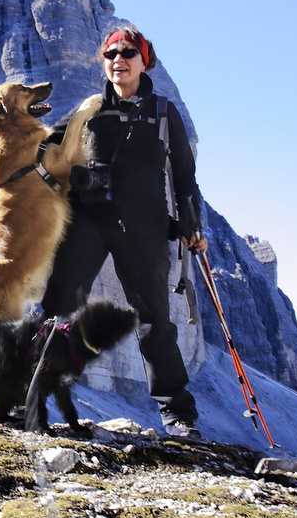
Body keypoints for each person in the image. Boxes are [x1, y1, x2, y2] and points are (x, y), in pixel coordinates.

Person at [40, 25, 207, 438]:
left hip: (146, 227)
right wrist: (66, 179)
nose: (118, 60)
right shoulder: (89, 109)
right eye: (110, 54)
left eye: (128, 53)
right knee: (56, 309)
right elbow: (47, 154)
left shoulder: (164, 114)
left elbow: (185, 178)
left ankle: (178, 417)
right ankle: (25, 395)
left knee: (154, 320)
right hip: (87, 223)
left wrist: (191, 226)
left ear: (143, 60)